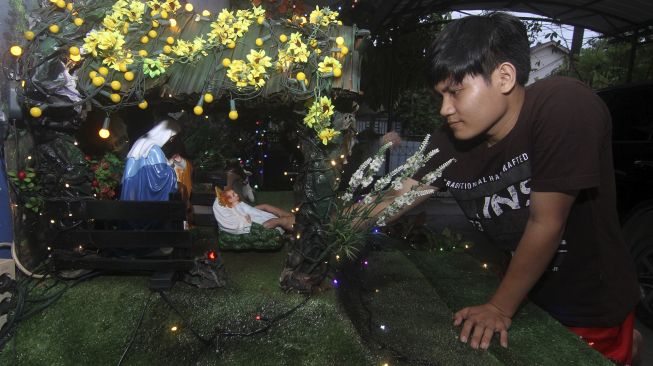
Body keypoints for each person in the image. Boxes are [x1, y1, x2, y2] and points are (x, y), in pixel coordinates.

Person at [381, 12, 641, 364]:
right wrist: (324, 225)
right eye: (440, 96)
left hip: (591, 306)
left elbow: (546, 222)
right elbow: (397, 197)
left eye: (455, 92)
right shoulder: (448, 142)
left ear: (504, 76)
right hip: (523, 295)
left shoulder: (562, 105)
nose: (445, 109)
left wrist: (499, 308)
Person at [121, 119, 179, 201]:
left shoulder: (140, 143)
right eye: (171, 137)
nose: (170, 140)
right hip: (147, 200)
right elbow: (162, 176)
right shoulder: (154, 148)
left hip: (133, 192)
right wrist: (171, 166)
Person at [212, 187, 295, 235]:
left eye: (235, 193)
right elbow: (242, 216)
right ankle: (291, 223)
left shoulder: (239, 204)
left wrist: (262, 207)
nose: (236, 194)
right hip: (257, 221)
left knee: (266, 207)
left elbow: (250, 209)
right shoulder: (236, 208)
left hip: (257, 214)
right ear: (229, 200)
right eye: (233, 195)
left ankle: (291, 218)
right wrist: (246, 219)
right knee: (275, 220)